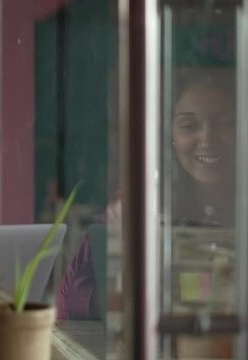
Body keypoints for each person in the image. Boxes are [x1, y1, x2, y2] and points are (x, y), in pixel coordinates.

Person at [56, 69, 236, 319]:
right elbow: (70, 301)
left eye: (225, 124)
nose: (207, 138)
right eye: (188, 125)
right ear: (171, 134)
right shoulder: (143, 199)